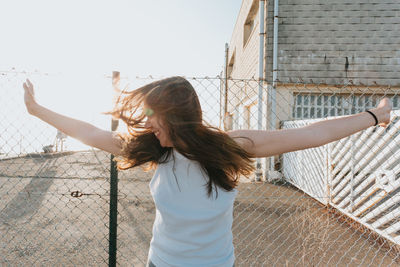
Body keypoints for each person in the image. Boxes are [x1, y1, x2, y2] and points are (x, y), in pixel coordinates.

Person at [23, 77, 392, 267]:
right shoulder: (156, 150)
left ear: (179, 119)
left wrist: (374, 116)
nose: (149, 126)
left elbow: (313, 134)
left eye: (156, 118)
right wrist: (38, 110)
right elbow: (91, 133)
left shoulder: (230, 146)